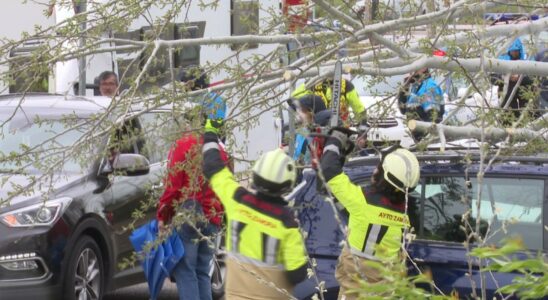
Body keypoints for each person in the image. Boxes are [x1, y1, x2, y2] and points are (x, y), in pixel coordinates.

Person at [201, 121, 308, 299]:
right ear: (286, 186)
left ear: (256, 175)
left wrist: (211, 132)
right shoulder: (287, 224)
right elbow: (297, 274)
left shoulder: (237, 200)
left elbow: (213, 167)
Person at [320, 129, 420, 300]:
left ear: (382, 175)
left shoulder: (361, 201)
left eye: (378, 168)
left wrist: (335, 140)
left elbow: (328, 170)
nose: (375, 170)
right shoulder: (407, 216)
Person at [156, 66, 228, 300]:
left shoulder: (183, 144)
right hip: (213, 213)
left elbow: (174, 187)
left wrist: (163, 216)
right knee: (202, 271)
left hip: (189, 212)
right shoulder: (218, 149)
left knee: (186, 270)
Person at [494, 38, 538, 123]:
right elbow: (493, 78)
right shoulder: (502, 60)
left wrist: (520, 78)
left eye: (516, 51)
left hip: (525, 100)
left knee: (528, 119)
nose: (514, 53)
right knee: (507, 121)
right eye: (512, 51)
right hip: (507, 104)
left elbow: (534, 78)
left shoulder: (528, 60)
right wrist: (505, 77)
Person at [291, 77, 366, 124]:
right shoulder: (314, 83)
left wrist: (362, 130)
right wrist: (306, 113)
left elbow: (359, 109)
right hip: (318, 124)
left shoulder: (346, 86)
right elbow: (294, 98)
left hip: (339, 125)